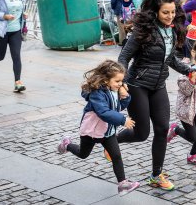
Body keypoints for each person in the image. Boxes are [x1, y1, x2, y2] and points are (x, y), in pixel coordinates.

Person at [117, 0, 196, 191]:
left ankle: (156, 175)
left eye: (172, 12)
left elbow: (170, 59)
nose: (170, 17)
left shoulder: (171, 30)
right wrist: (122, 80)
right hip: (138, 85)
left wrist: (188, 71)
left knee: (162, 129)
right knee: (142, 133)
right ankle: (113, 141)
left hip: (158, 85)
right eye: (165, 12)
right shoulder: (143, 30)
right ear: (155, 12)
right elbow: (124, 57)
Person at [57, 60, 140, 196]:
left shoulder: (113, 90)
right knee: (83, 154)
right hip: (91, 131)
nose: (120, 84)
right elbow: (103, 112)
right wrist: (123, 120)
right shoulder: (97, 93)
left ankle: (123, 184)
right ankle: (67, 145)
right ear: (106, 80)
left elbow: (117, 107)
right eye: (117, 81)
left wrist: (125, 97)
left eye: (121, 81)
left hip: (107, 132)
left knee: (116, 156)